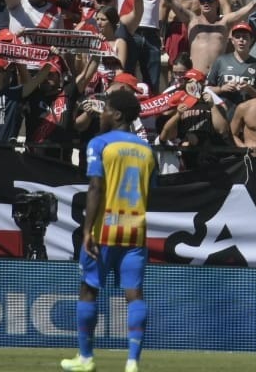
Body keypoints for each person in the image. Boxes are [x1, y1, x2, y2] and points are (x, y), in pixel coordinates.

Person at [62, 87, 153, 372]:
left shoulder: (100, 143)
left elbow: (96, 186)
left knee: (89, 289)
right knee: (134, 294)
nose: (101, 114)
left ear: (117, 114)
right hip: (135, 230)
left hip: (104, 231)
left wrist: (87, 230)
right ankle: (132, 362)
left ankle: (86, 358)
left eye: (105, 109)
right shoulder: (146, 150)